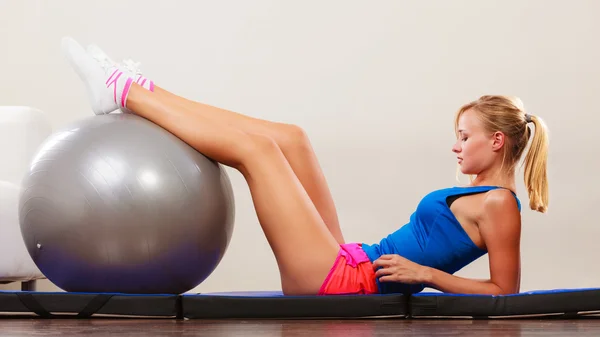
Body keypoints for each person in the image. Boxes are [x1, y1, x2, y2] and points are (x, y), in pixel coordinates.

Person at [60, 36, 549, 297]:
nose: (456, 147)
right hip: (350, 259)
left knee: (259, 154)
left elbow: (504, 290)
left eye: (464, 137)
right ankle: (138, 88)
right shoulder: (478, 197)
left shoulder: (500, 205)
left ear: (498, 141)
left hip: (343, 283)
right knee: (291, 138)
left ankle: (126, 92)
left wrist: (428, 274)